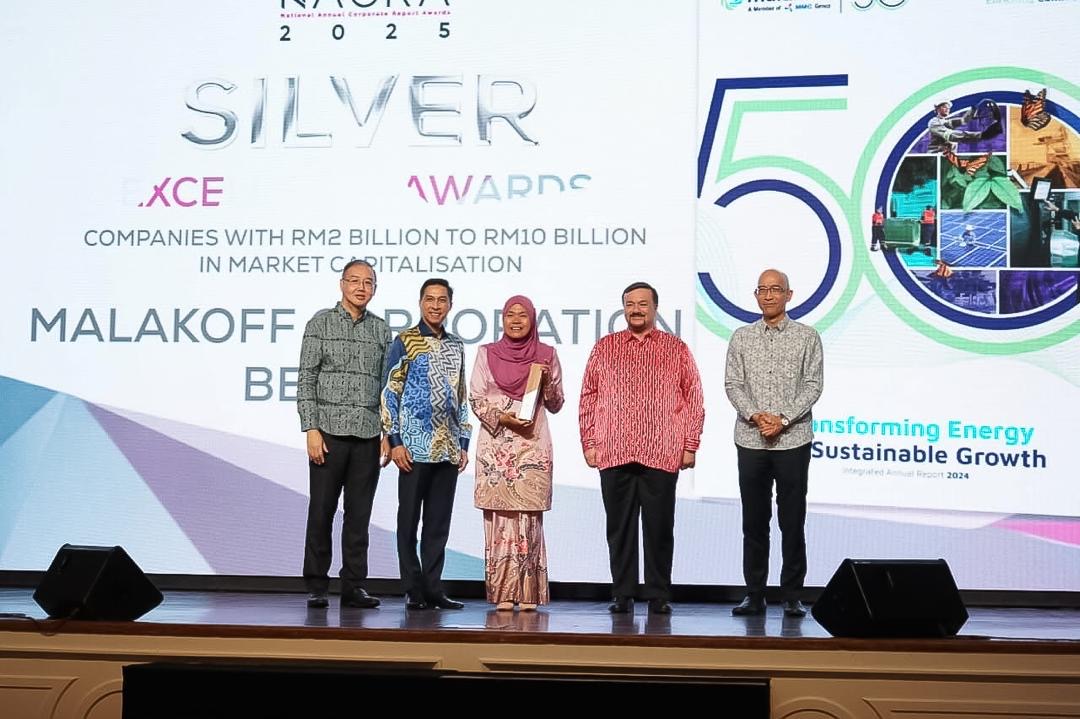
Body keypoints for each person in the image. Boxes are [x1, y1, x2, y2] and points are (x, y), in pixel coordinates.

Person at [579, 282, 704, 615]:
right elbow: (589, 396)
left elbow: (693, 396)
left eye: (643, 304)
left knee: (659, 528)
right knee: (619, 528)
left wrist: (690, 443)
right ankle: (623, 593)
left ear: (655, 309)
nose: (636, 309)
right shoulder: (605, 347)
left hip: (661, 450)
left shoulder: (675, 348)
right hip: (614, 449)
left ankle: (659, 594)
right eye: (630, 304)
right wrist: (589, 442)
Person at [725, 269, 823, 618]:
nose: (768, 296)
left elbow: (813, 385)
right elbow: (733, 384)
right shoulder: (741, 337)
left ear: (788, 295)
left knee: (792, 521)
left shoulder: (807, 337)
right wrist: (756, 416)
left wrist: (782, 420)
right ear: (756, 295)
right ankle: (754, 594)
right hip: (750, 440)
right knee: (754, 522)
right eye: (762, 290)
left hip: (793, 440)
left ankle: (793, 595)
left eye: (775, 290)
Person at [298, 259, 392, 609]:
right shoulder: (320, 323)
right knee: (321, 511)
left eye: (368, 282)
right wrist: (311, 428)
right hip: (328, 434)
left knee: (359, 516)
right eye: (354, 280)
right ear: (342, 284)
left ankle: (354, 585)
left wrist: (388, 433)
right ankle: (316, 585)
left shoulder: (381, 330)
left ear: (374, 289)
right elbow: (306, 378)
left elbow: (387, 388)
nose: (360, 288)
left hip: (367, 435)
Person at [382, 278, 472, 610]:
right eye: (429, 299)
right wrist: (394, 441)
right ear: (420, 302)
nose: (435, 305)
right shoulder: (405, 341)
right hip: (413, 447)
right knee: (408, 521)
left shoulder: (457, 345)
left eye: (442, 300)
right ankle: (412, 589)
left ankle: (434, 588)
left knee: (437, 524)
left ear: (450, 305)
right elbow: (389, 392)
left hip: (447, 448)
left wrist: (464, 442)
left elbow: (461, 396)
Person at [469, 296, 564, 611]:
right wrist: (504, 418)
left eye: (523, 315)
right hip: (497, 445)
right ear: (503, 319)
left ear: (533, 319)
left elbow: (556, 403)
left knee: (529, 518)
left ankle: (528, 593)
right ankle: (503, 593)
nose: (516, 320)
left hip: (531, 445)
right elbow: (476, 398)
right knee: (499, 518)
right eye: (511, 314)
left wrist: (547, 383)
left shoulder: (546, 355)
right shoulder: (487, 353)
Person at [927, 99, 1001, 155]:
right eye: (944, 107)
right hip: (936, 158)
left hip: (948, 158)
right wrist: (981, 135)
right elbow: (951, 135)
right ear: (938, 109)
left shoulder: (946, 122)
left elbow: (964, 120)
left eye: (948, 108)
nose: (947, 109)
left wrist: (973, 109)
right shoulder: (934, 123)